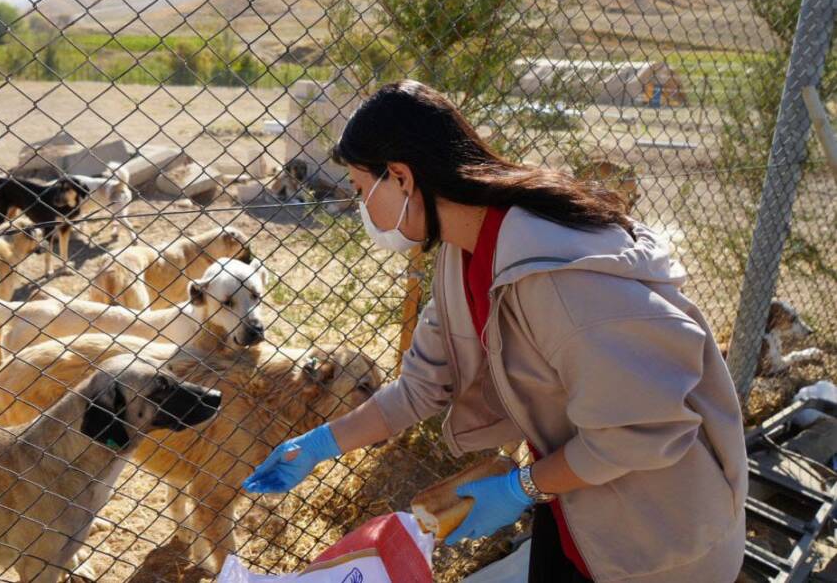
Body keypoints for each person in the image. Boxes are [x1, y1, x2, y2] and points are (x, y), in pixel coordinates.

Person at [243, 81, 747, 582]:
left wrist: (520, 488)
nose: (361, 210)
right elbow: (420, 388)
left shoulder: (556, 281)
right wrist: (318, 444)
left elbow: (641, 433)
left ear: (399, 177)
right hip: (579, 507)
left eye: (359, 189)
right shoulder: (464, 255)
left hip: (659, 536)